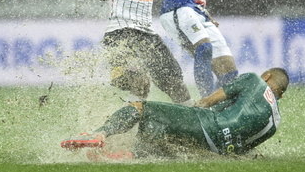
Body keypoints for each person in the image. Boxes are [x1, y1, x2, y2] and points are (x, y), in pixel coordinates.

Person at [61, 67, 290, 159]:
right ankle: (124, 155)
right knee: (162, 135)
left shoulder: (254, 80)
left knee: (140, 108)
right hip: (216, 148)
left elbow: (211, 100)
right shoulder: (275, 121)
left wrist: (191, 109)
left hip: (208, 125)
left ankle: (98, 134)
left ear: (268, 76)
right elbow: (241, 146)